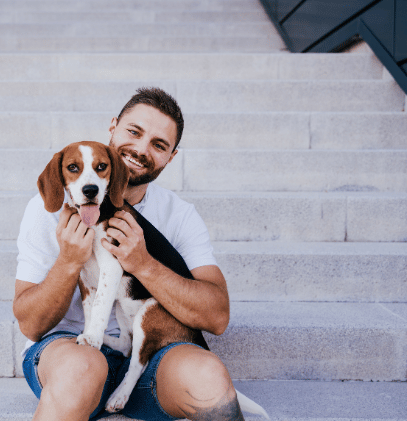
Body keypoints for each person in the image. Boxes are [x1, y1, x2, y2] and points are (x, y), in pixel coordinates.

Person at [13, 87, 244, 421]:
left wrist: (143, 264)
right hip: (67, 350)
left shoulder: (179, 215)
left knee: (208, 377)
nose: (140, 149)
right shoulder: (48, 209)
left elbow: (217, 317)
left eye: (158, 144)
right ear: (113, 127)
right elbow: (31, 325)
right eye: (133, 132)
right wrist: (68, 261)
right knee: (81, 369)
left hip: (152, 356)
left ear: (171, 157)